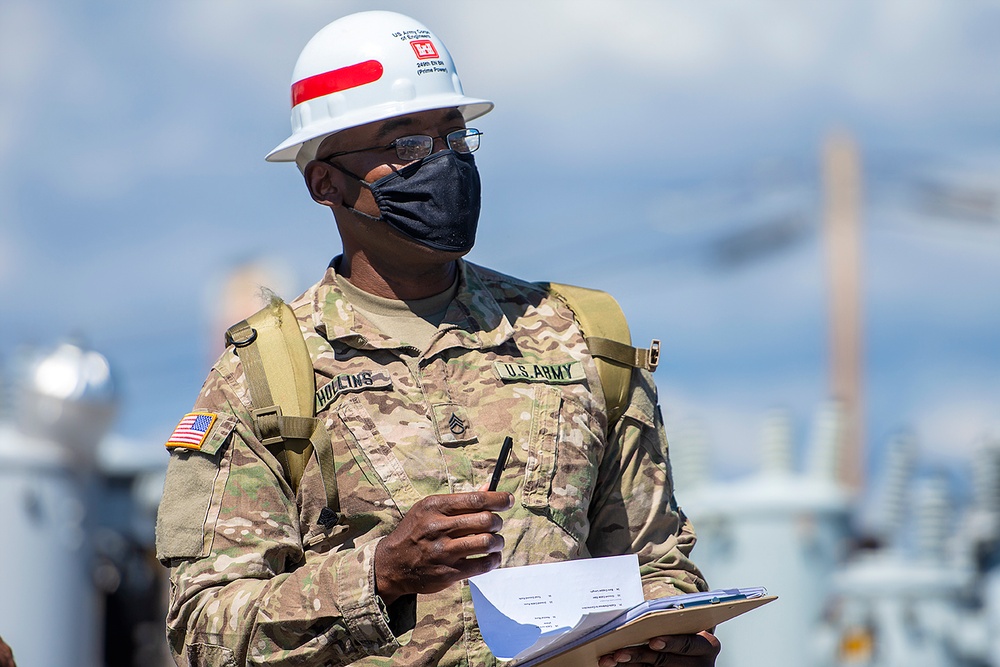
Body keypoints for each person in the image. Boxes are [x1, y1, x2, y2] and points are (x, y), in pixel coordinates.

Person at [155, 10, 720, 667]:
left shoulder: (580, 335)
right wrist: (379, 575)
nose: (444, 167)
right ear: (325, 182)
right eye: (408, 147)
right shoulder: (267, 373)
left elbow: (658, 567)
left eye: (455, 139)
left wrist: (675, 637)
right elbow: (202, 630)